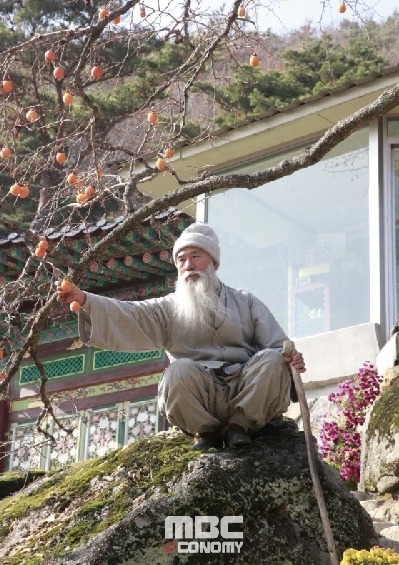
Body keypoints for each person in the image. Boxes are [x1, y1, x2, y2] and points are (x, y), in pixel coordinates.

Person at [56, 223, 305, 451]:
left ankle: (237, 426)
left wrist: (290, 360)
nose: (189, 265)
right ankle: (204, 431)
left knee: (273, 360)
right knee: (177, 371)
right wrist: (84, 300)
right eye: (182, 260)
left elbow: (279, 347)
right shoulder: (168, 308)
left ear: (213, 262)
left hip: (245, 391)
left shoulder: (246, 301)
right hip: (199, 393)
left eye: (196, 256)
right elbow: (130, 314)